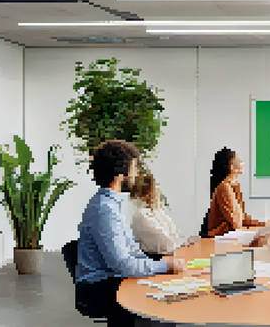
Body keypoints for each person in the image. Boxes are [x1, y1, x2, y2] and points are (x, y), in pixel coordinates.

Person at [75, 140, 186, 327]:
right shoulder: (105, 210)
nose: (135, 175)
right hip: (100, 287)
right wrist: (163, 266)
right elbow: (124, 266)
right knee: (163, 306)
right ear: (120, 176)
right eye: (133, 169)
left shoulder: (112, 205)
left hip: (112, 278)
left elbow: (133, 252)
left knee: (170, 293)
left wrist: (159, 264)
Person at [130, 170, 201, 260]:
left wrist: (184, 241)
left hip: (168, 257)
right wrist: (181, 242)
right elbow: (167, 245)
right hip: (158, 260)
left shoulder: (156, 211)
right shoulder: (140, 214)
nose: (158, 192)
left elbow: (173, 235)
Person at [207, 148, 266, 238]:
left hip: (230, 237)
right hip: (220, 241)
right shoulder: (224, 188)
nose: (243, 163)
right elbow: (236, 223)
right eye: (239, 161)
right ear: (232, 167)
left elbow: (242, 219)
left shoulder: (234, 187)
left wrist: (264, 224)